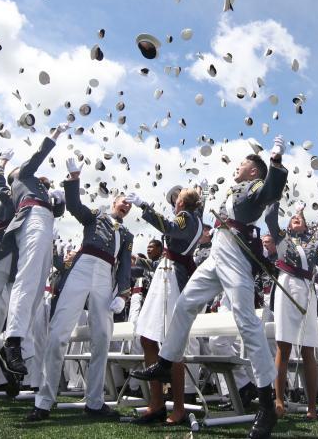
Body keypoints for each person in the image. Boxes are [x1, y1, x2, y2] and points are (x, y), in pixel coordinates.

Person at [132, 137, 288, 439]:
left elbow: (271, 190)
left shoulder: (254, 187)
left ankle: (267, 403)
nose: (238, 167)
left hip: (234, 256)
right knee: (186, 302)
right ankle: (165, 362)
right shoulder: (232, 190)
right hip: (218, 250)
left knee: (247, 323)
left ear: (253, 171)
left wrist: (276, 161)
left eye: (243, 164)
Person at [27, 157, 133, 421]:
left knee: (102, 339)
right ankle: (44, 399)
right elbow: (74, 205)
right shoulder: (96, 216)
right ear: (113, 201)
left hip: (105, 276)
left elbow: (124, 268)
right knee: (59, 333)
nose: (127, 206)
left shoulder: (129, 235)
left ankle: (94, 401)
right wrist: (74, 178)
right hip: (83, 266)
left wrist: (122, 292)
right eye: (124, 201)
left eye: (130, 204)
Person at [126, 185, 204, 425]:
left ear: (182, 203)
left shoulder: (186, 217)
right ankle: (156, 404)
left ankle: (178, 408)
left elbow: (169, 227)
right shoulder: (192, 218)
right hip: (165, 275)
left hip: (171, 277)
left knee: (172, 344)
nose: (174, 203)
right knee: (148, 339)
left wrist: (143, 206)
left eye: (176, 199)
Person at [3, 123, 69, 375]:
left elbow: (54, 212)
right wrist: (55, 134)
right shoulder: (22, 177)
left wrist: (59, 203)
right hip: (33, 219)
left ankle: (19, 341)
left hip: (43, 221)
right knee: (29, 278)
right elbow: (37, 157)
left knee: (38, 282)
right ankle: (13, 341)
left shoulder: (37, 187)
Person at [263, 200, 318, 420]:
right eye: (293, 218)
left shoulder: (314, 241)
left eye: (300, 218)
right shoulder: (283, 238)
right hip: (287, 285)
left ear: (305, 225)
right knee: (283, 346)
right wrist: (274, 196)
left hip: (308, 289)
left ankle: (312, 406)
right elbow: (269, 219)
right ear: (289, 225)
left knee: (308, 349)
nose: (296, 218)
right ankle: (279, 400)